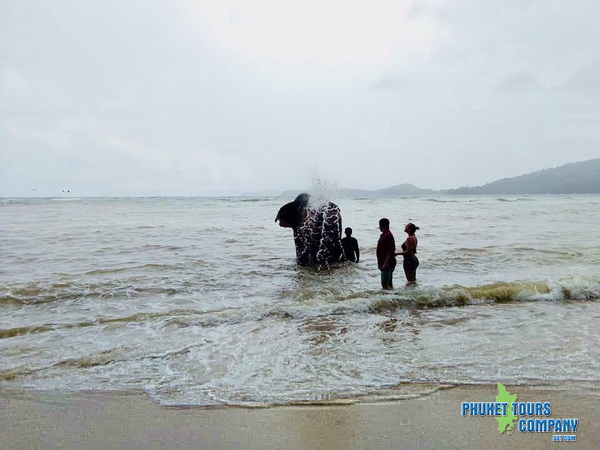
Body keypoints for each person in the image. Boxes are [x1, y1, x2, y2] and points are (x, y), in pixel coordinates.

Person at [275, 193, 343, 268]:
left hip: (325, 216)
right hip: (332, 216)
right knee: (331, 248)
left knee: (309, 254)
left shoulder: (301, 211)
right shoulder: (330, 209)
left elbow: (302, 246)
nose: (280, 224)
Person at [376, 218, 396, 289]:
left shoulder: (387, 235)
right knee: (389, 284)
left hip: (387, 264)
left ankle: (387, 299)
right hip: (386, 263)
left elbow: (390, 252)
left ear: (381, 225)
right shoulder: (386, 234)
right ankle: (392, 299)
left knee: (385, 285)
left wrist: (385, 264)